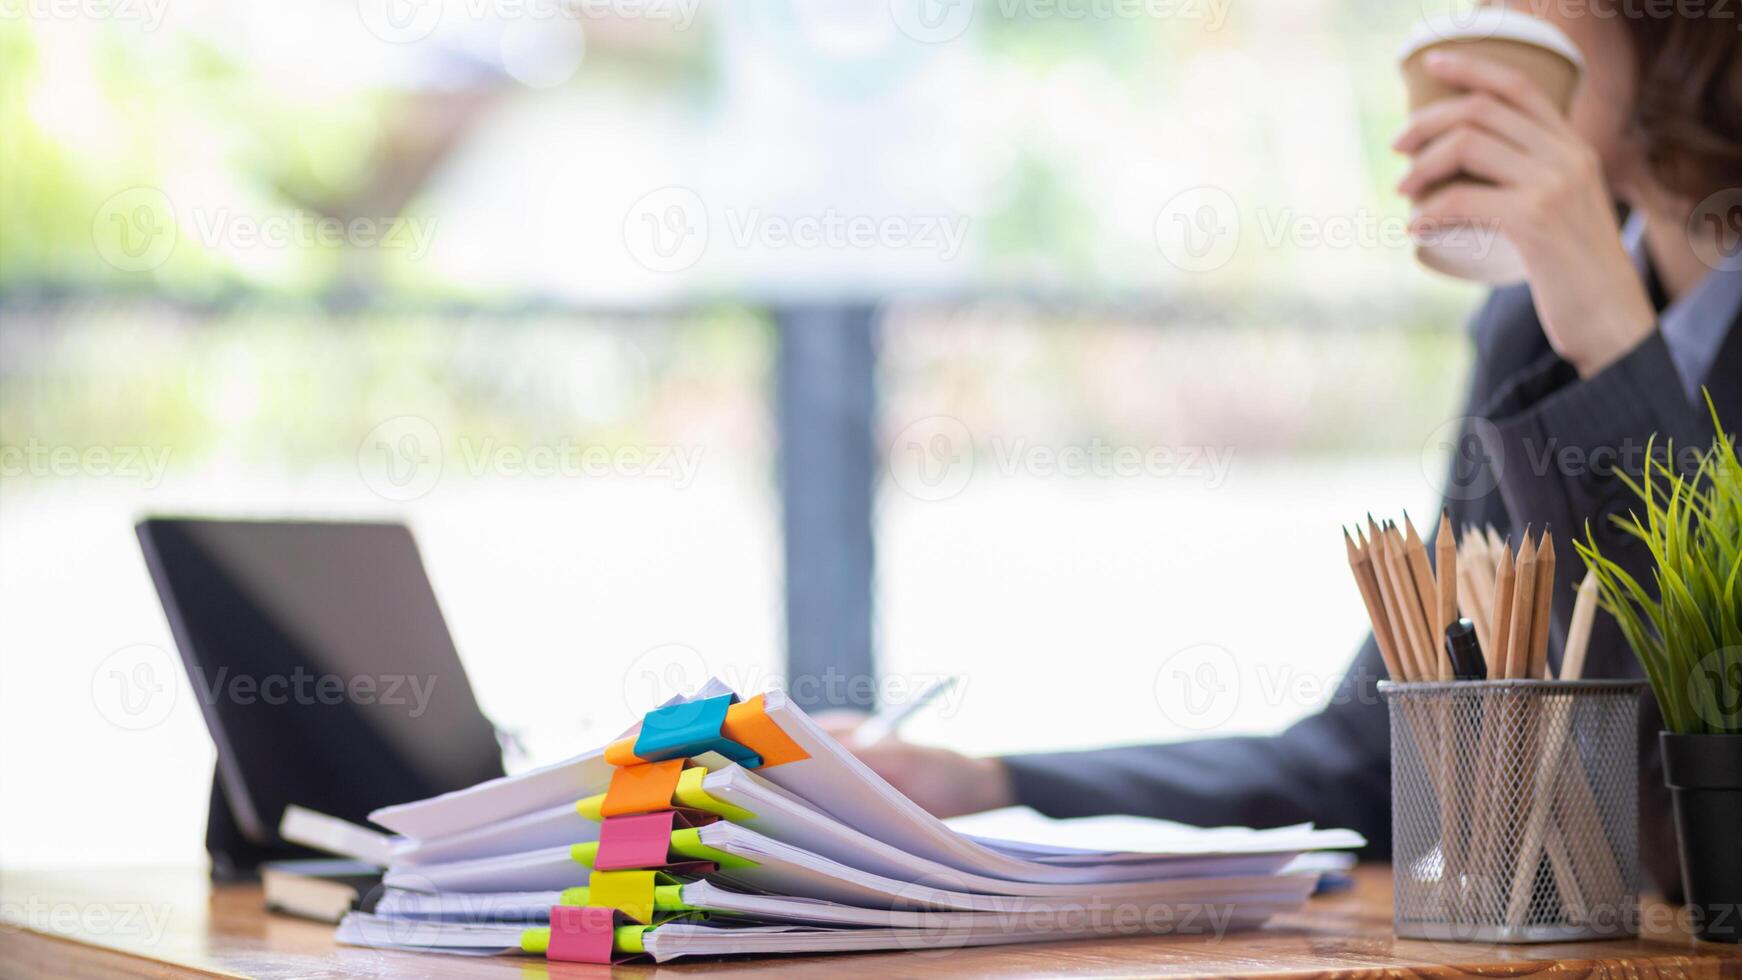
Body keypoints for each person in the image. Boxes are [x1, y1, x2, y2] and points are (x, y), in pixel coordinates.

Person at [825, 1, 1742, 897]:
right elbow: (1378, 762)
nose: (1487, 14)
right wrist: (991, 785)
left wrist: (1613, 342)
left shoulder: (1578, 317)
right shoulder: (1530, 328)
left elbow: (1704, 788)